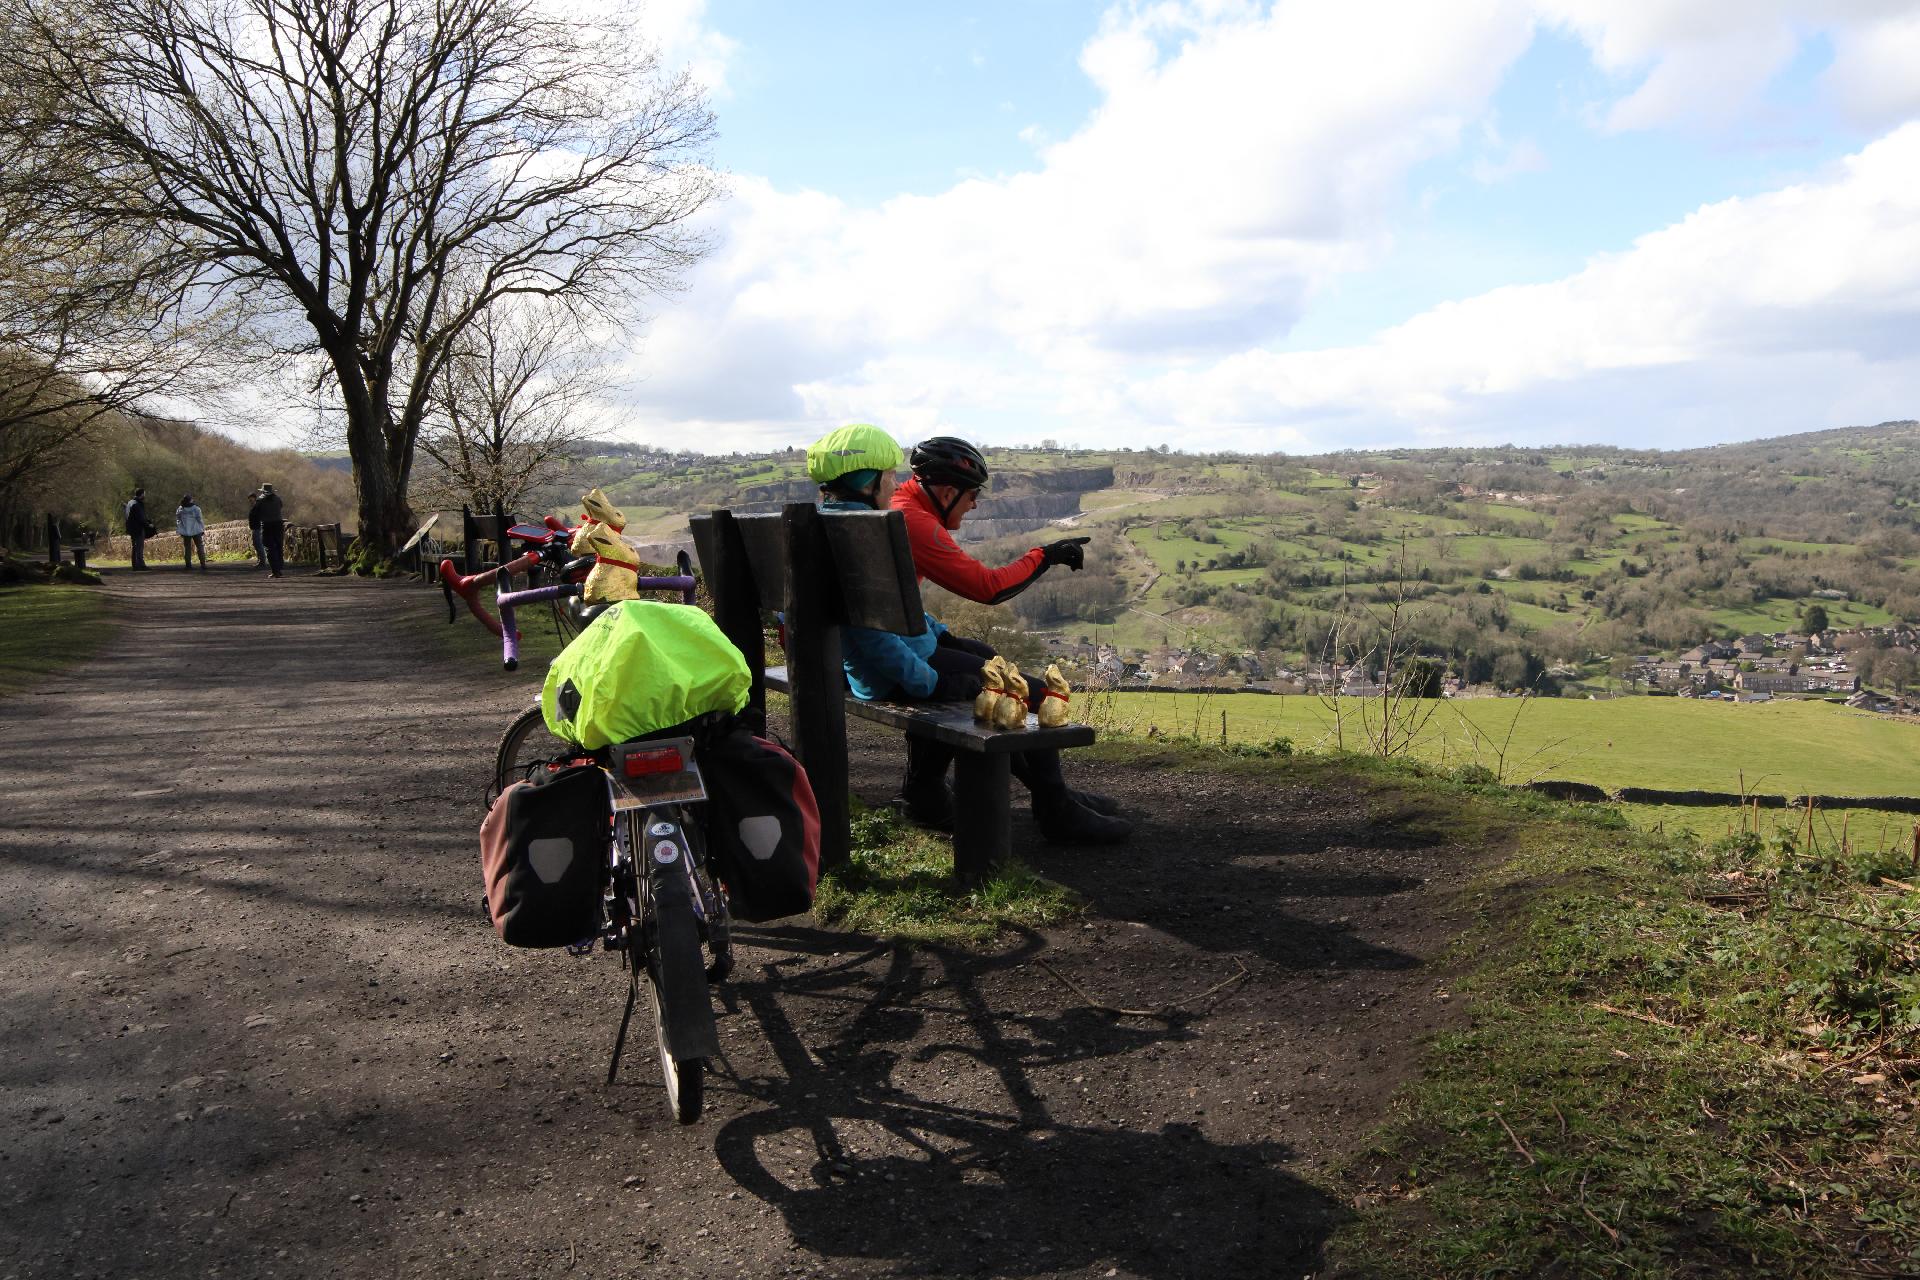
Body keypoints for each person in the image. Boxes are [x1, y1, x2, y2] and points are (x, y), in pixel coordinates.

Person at [808, 424, 1129, 845]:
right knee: (1023, 692)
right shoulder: (879, 529)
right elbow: (984, 588)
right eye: (888, 477)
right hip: (883, 669)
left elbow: (892, 608)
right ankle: (1056, 809)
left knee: (981, 657)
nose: (896, 484)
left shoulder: (844, 523)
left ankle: (937, 789)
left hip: (858, 659)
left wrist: (940, 636)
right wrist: (933, 681)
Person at [251, 483, 286, 578]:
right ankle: (279, 568)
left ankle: (275, 571)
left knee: (269, 548)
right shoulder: (278, 499)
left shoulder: (260, 500)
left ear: (262, 491)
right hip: (278, 524)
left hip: (266, 525)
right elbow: (281, 506)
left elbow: (255, 513)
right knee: (279, 546)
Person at [175, 494, 208, 570]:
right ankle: (203, 564)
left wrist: (180, 529)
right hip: (196, 530)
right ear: (191, 500)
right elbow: (200, 519)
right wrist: (202, 528)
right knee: (200, 546)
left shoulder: (180, 509)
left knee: (187, 548)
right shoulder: (196, 508)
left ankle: (188, 565)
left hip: (186, 531)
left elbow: (178, 519)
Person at [123, 488, 153, 570]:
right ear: (142, 494)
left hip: (131, 528)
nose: (145, 495)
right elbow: (141, 517)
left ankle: (135, 565)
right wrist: (148, 525)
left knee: (135, 547)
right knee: (139, 547)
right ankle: (141, 565)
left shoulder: (130, 503)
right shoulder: (137, 504)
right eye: (144, 494)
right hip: (138, 528)